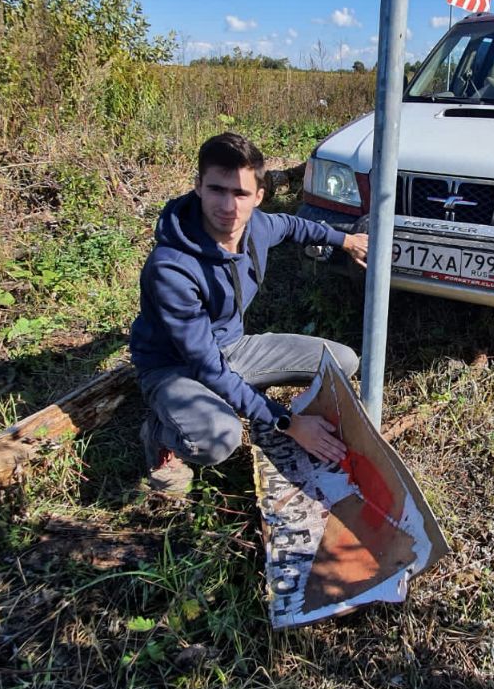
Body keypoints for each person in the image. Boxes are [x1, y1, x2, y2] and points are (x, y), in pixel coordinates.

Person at [129, 132, 370, 496]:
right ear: (198, 187)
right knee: (218, 439)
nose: (228, 205)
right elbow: (206, 366)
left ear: (259, 196)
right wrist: (288, 423)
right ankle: (161, 433)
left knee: (342, 360)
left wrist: (346, 240)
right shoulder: (171, 268)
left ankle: (242, 396)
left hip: (233, 348)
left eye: (240, 193)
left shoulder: (258, 225)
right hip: (176, 368)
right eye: (217, 190)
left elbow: (293, 226)